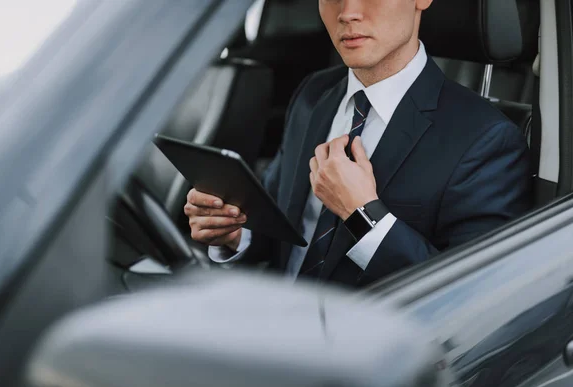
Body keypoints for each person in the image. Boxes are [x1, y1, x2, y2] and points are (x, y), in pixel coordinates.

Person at [183, 0, 532, 288]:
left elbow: (470, 294)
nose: (347, 11)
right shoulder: (313, 95)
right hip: (269, 326)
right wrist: (233, 232)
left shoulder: (486, 140)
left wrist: (362, 214)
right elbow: (281, 226)